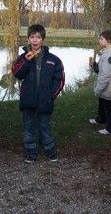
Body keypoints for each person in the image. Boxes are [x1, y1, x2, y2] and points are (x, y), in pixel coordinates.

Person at [12, 24, 65, 163]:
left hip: (45, 101)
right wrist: (26, 61)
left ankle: (51, 152)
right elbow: (17, 73)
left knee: (45, 127)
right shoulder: (23, 57)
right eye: (32, 37)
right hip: (28, 100)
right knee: (29, 128)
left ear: (43, 40)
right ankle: (31, 153)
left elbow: (59, 79)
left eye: (38, 37)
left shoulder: (53, 59)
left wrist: (51, 95)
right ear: (28, 39)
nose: (35, 40)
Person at [88, 30, 111, 135]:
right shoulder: (110, 51)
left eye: (101, 39)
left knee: (108, 106)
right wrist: (94, 65)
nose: (99, 40)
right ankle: (101, 119)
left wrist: (98, 89)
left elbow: (106, 75)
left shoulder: (109, 56)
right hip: (106, 86)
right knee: (102, 102)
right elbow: (101, 69)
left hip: (109, 86)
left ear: (108, 41)